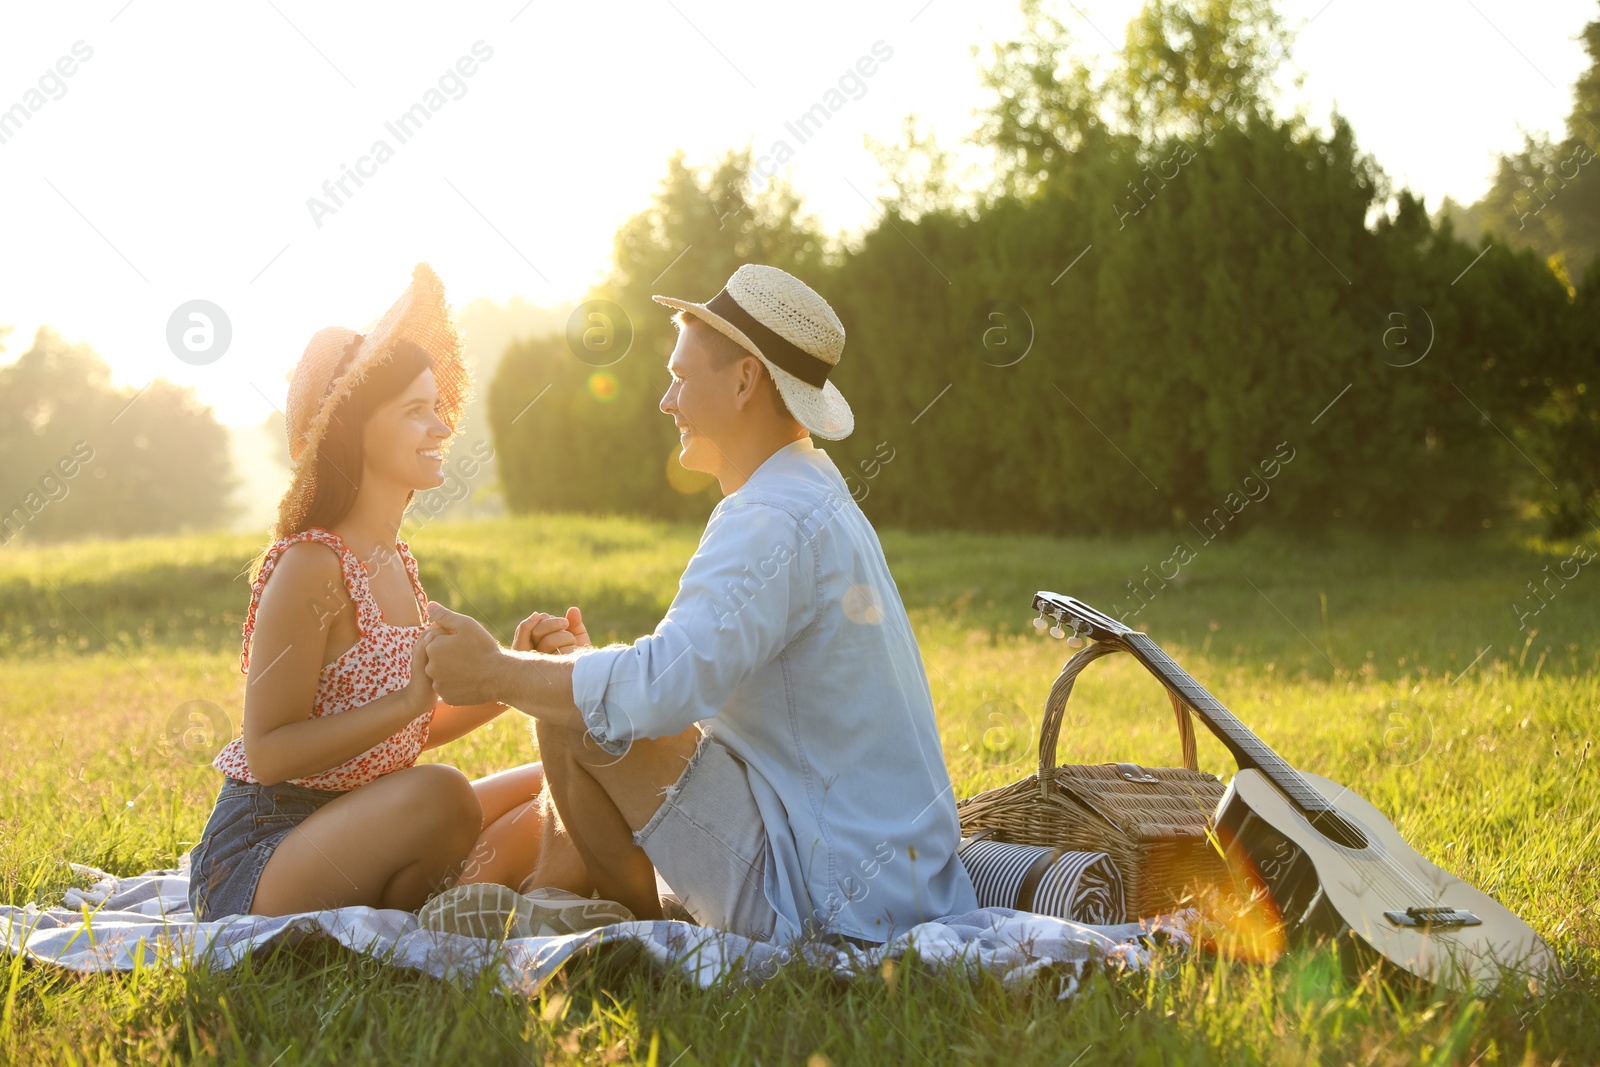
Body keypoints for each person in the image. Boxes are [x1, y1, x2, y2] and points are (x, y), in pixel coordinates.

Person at [420, 263, 979, 945]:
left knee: (586, 714)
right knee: (581, 698)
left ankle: (638, 930)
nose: (666, 399)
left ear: (745, 380)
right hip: (871, 876)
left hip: (829, 898)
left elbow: (660, 690)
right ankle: (596, 906)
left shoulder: (771, 515)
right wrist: (580, 669)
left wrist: (491, 672)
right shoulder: (808, 495)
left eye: (682, 376)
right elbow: (688, 679)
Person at [187, 263, 600, 925]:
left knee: (560, 778)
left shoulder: (394, 561)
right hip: (264, 854)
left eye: (438, 407)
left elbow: (398, 729)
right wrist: (411, 698)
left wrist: (515, 671)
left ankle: (491, 897)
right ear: (353, 429)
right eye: (416, 411)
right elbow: (268, 751)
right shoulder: (311, 566)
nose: (441, 427)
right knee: (442, 795)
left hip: (363, 819)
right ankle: (476, 896)